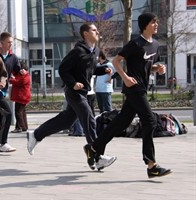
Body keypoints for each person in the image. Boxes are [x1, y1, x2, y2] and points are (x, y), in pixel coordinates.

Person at [83, 13, 172, 178]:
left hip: (142, 88)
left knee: (121, 122)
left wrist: (157, 69)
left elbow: (147, 66)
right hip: (134, 88)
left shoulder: (156, 45)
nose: (156, 24)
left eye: (157, 21)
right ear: (145, 25)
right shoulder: (135, 44)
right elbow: (116, 61)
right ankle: (151, 165)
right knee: (150, 121)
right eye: (153, 22)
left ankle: (94, 148)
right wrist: (125, 78)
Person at [27, 22, 116, 170]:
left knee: (66, 122)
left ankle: (36, 135)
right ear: (85, 34)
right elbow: (63, 69)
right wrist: (73, 83)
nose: (97, 32)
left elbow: (90, 70)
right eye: (94, 30)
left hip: (84, 92)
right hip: (74, 92)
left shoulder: (94, 51)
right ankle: (97, 156)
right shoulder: (77, 51)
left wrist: (103, 70)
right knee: (89, 119)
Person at [9, 62, 31, 133]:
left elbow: (18, 82)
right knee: (22, 112)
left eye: (23, 69)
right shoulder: (22, 76)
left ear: (26, 70)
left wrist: (11, 80)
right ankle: (22, 127)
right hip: (21, 97)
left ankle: (21, 127)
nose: (21, 70)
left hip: (22, 97)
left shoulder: (26, 77)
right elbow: (15, 75)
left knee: (18, 112)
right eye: (20, 69)